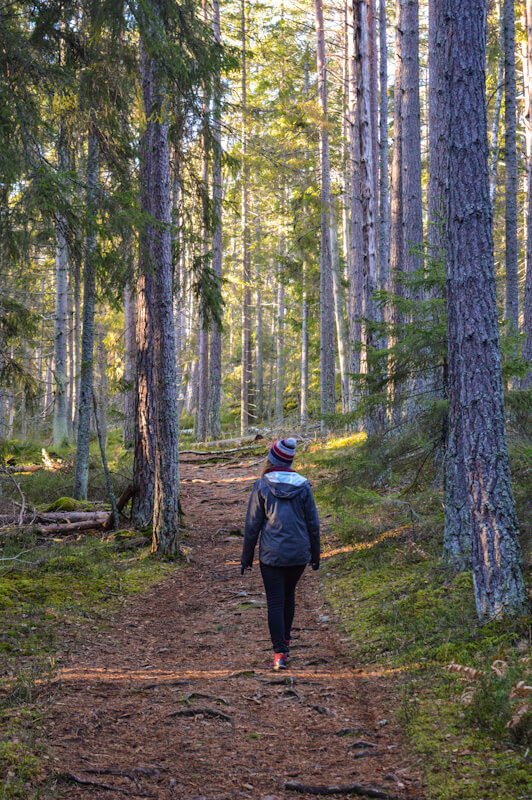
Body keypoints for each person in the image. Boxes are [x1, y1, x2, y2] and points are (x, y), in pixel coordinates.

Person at [240, 437, 320, 670]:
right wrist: (315, 555)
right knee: (289, 597)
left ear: (272, 459)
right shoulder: (303, 485)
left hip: (272, 555)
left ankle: (279, 654)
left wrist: (246, 558)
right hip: (298, 555)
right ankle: (285, 642)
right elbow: (312, 524)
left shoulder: (263, 484)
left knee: (275, 601)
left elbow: (252, 525)